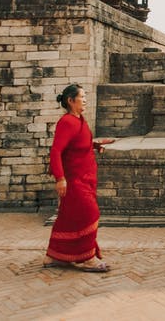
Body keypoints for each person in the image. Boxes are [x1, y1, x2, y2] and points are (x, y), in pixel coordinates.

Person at [45, 83, 115, 271]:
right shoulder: (67, 122)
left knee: (68, 217)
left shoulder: (79, 120)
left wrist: (93, 145)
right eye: (82, 97)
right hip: (74, 180)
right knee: (89, 214)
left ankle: (56, 255)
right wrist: (60, 178)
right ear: (70, 100)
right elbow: (56, 151)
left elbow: (76, 143)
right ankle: (87, 257)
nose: (85, 100)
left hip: (86, 177)